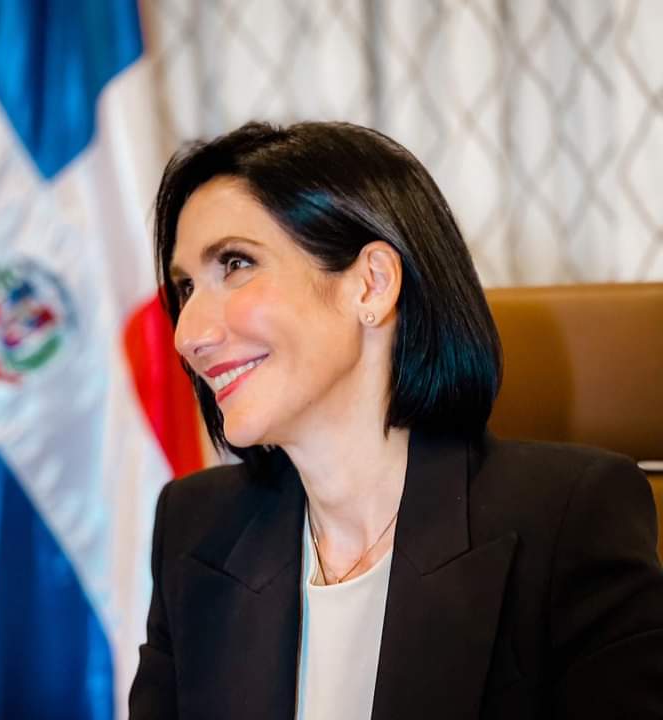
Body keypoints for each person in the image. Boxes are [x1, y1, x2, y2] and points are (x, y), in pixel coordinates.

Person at [129, 121, 663, 719]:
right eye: (186, 287)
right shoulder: (194, 528)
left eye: (236, 263)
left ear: (372, 285)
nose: (188, 334)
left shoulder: (569, 520)